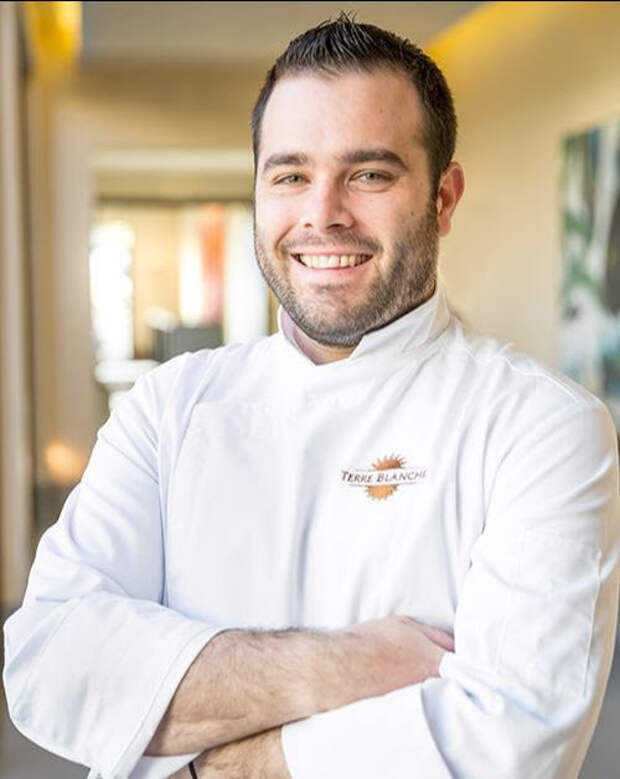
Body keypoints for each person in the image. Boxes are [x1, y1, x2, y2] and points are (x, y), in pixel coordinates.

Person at [3, 13, 619, 779]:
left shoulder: (541, 426)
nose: (322, 213)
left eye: (370, 174)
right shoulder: (168, 405)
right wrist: (350, 665)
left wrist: (206, 767)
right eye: (290, 175)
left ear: (443, 198)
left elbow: (504, 745)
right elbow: (49, 663)